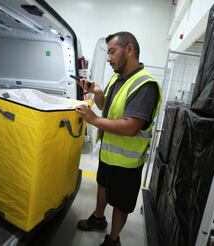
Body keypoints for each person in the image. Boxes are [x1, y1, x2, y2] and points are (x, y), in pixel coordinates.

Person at [75, 31, 162, 246]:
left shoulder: (145, 85)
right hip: (109, 153)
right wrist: (96, 92)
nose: (108, 57)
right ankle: (98, 218)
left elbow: (130, 126)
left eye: (112, 52)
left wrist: (93, 120)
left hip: (127, 161)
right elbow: (107, 107)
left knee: (120, 203)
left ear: (129, 49)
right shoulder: (118, 77)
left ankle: (113, 239)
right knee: (102, 185)